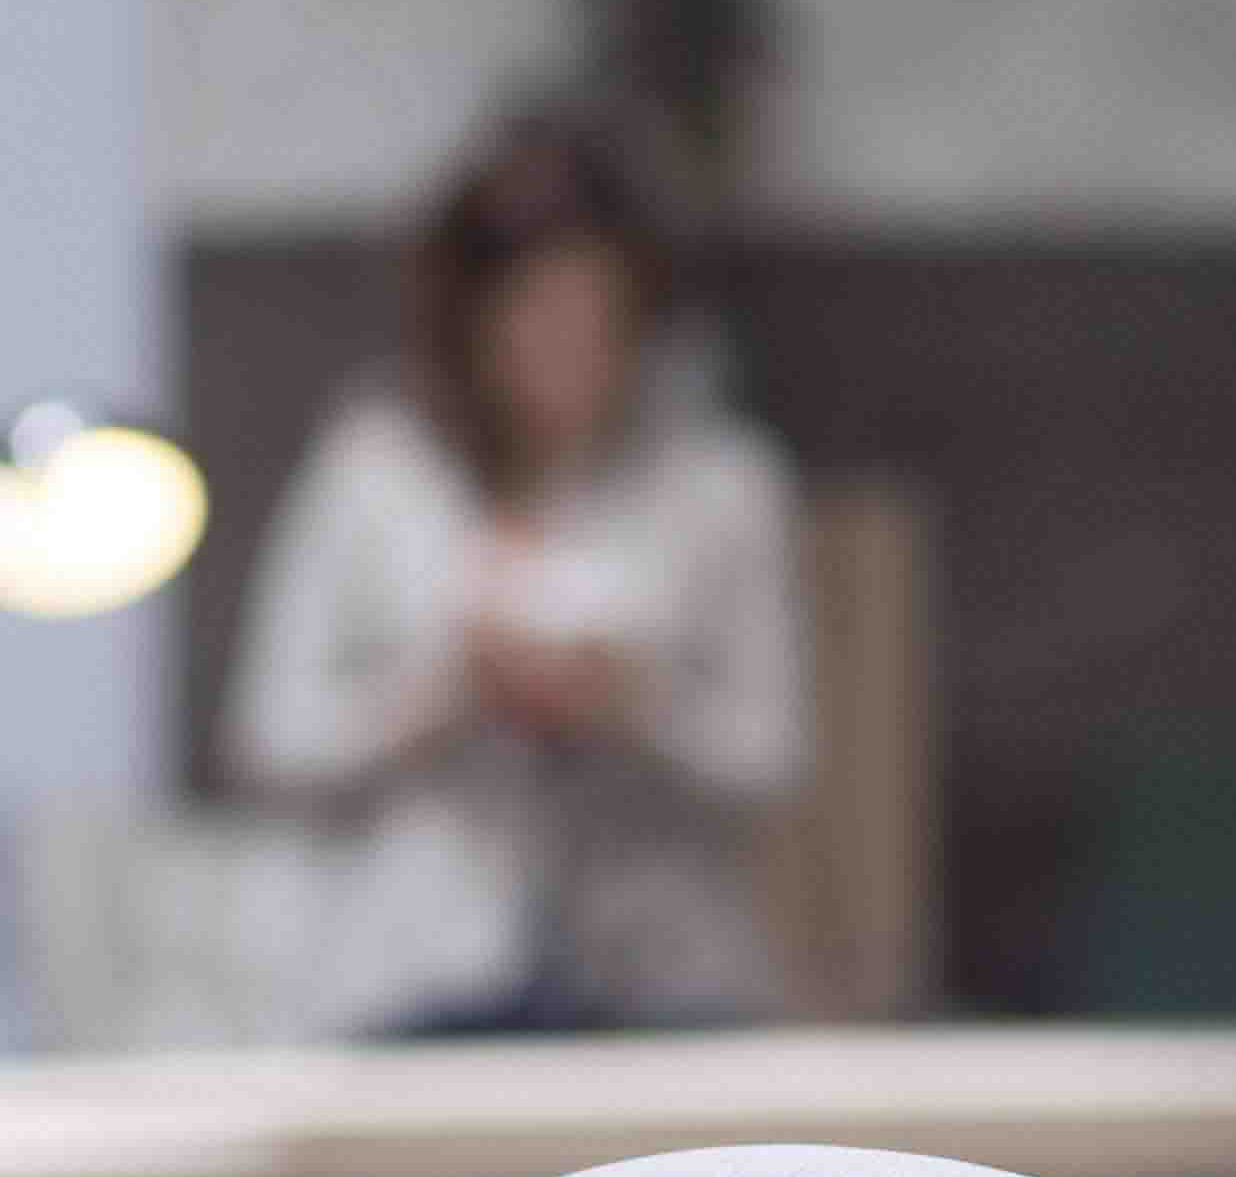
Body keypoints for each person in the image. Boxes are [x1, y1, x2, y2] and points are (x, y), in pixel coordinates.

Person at [228, 110, 809, 1034]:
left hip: (661, 976)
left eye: (594, 319)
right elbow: (274, 743)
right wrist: (448, 695)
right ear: (474, 324)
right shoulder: (379, 471)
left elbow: (771, 758)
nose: (566, 352)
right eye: (534, 318)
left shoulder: (717, 484)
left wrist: (629, 704)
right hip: (421, 982)